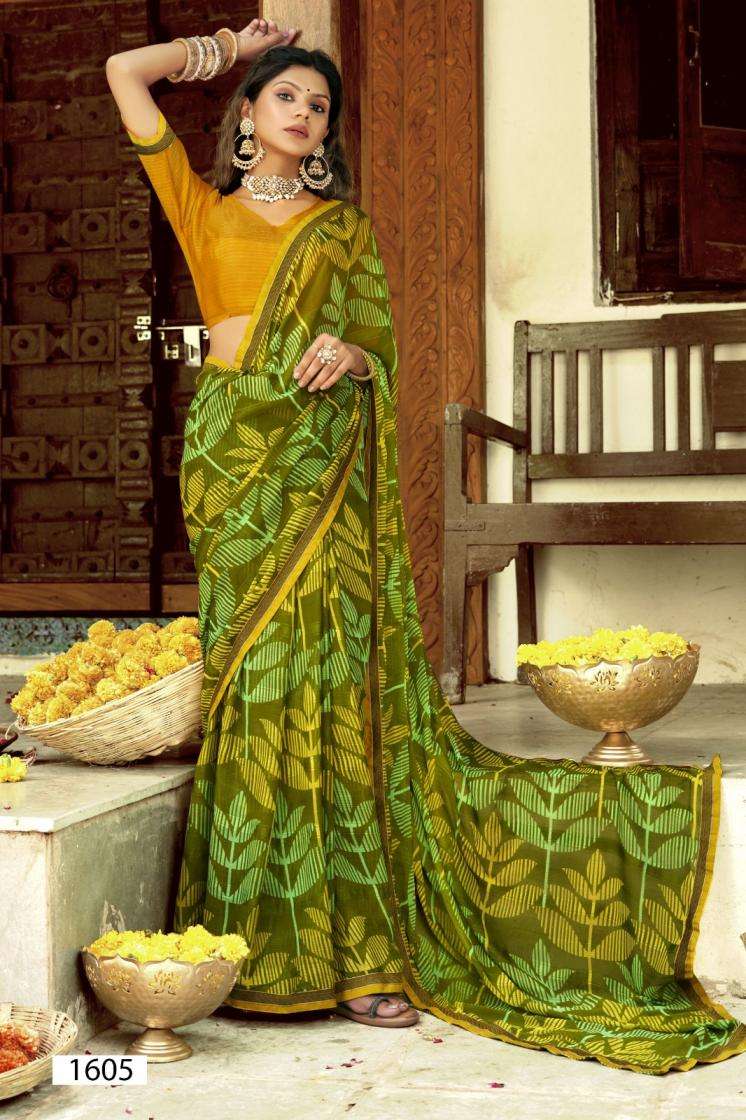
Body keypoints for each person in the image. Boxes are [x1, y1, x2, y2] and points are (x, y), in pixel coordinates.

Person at [105, 18, 746, 1070]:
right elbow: (122, 72)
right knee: (257, 685)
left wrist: (352, 354)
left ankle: (362, 951)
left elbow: (379, 349)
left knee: (332, 681)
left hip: (319, 461)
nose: (304, 113)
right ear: (249, 116)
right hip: (235, 468)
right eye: (285, 96)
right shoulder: (198, 204)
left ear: (326, 136)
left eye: (319, 105)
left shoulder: (343, 231)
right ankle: (249, 944)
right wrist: (227, 48)